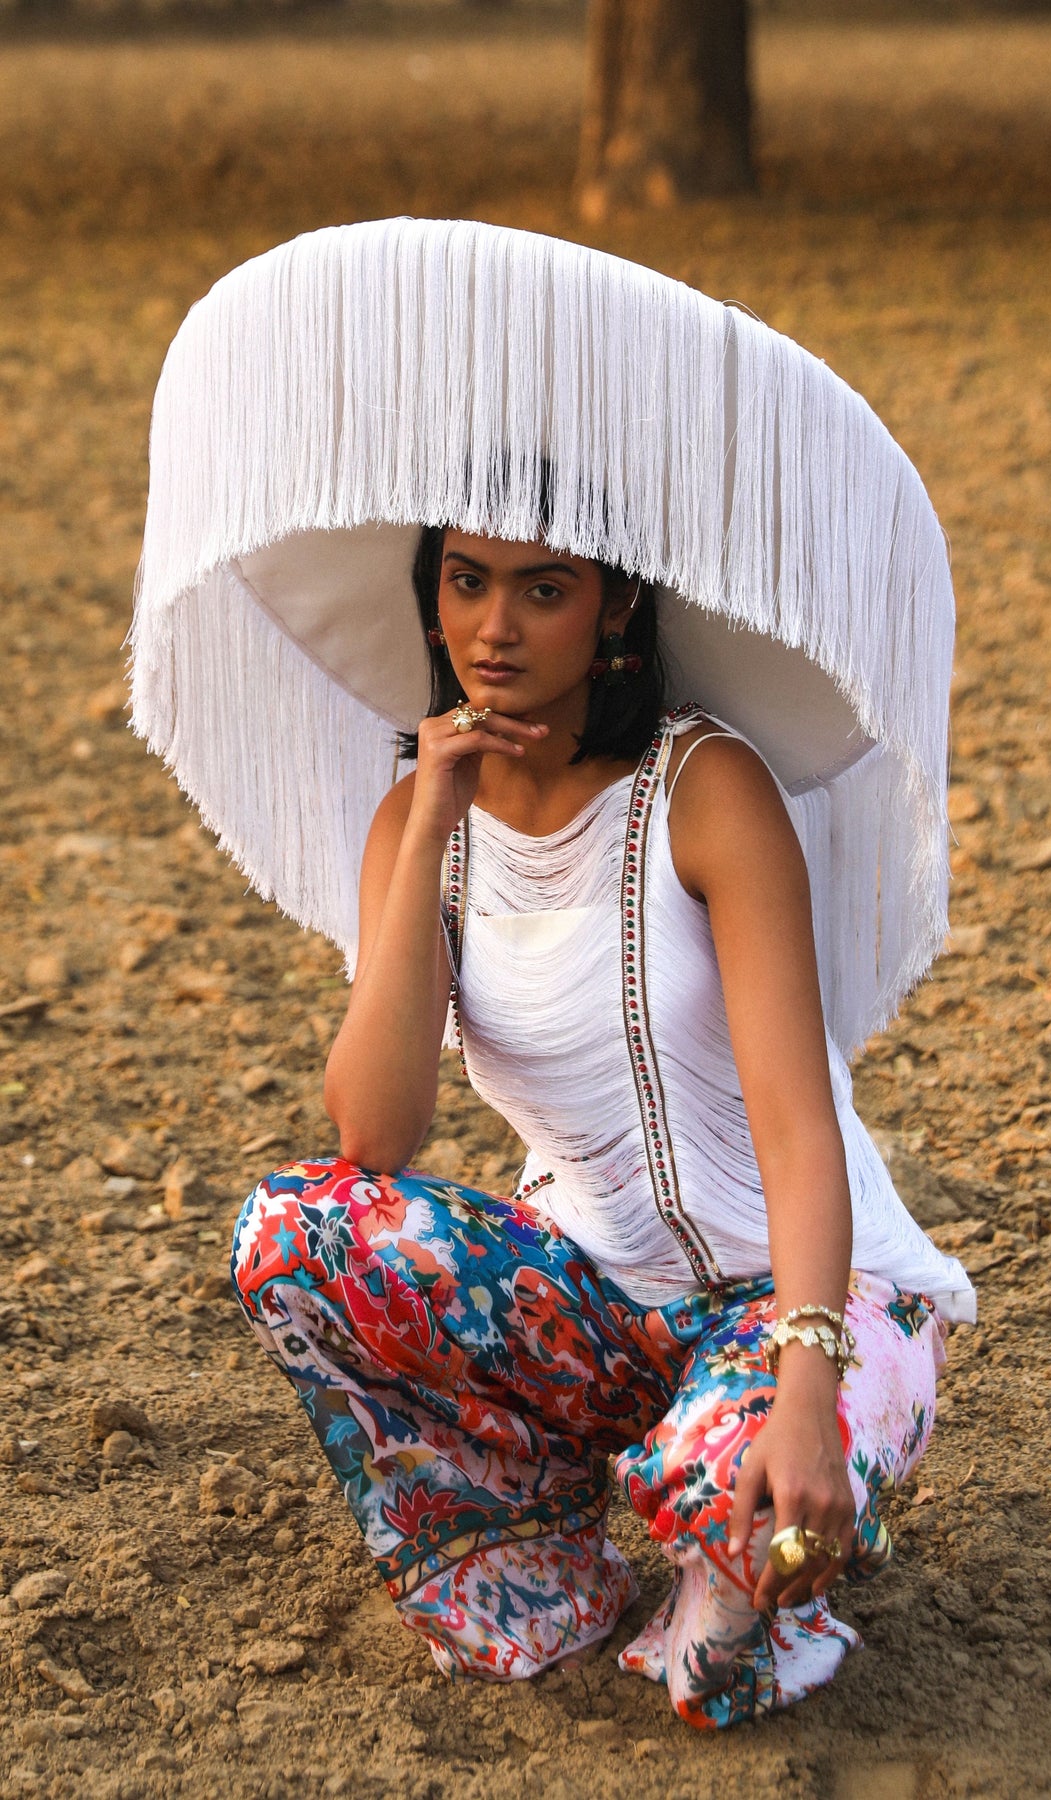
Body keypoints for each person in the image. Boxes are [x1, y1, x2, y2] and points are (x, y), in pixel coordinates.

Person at [230, 520, 965, 1730]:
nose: (497, 626)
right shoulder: (417, 827)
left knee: (716, 1660)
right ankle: (541, 1550)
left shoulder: (704, 789)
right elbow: (371, 1134)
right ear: (433, 605)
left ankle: (731, 1515)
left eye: (545, 589)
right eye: (468, 584)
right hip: (588, 1310)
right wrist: (427, 823)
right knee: (291, 1234)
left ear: (615, 611)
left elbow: (798, 1125)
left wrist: (803, 1386)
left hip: (801, 1300)